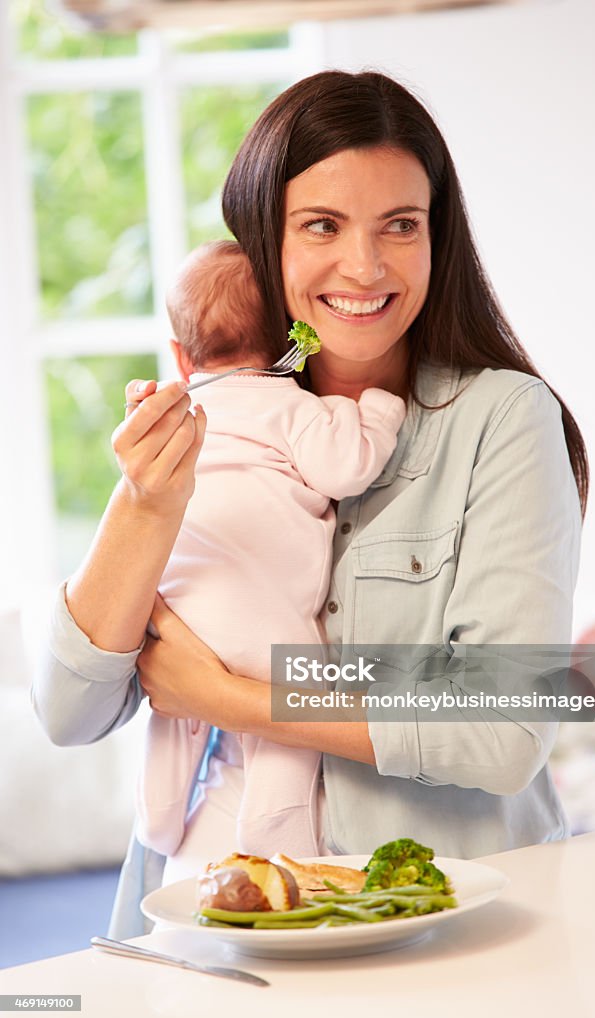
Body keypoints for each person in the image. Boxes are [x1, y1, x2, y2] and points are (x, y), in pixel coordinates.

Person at [33, 70, 588, 939]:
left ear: (436, 240)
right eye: (320, 225)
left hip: (446, 937)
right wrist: (145, 505)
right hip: (212, 930)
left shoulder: (501, 421)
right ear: (262, 240)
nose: (364, 267)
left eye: (400, 226)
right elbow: (69, 713)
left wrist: (231, 696)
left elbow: (504, 727)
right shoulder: (205, 417)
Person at [136, 238, 405, 872]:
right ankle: (274, 829)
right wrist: (377, 408)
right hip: (266, 622)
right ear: (290, 337)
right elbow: (347, 467)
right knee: (290, 715)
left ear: (180, 356)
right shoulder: (292, 407)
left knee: (175, 714)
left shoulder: (180, 417)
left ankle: (157, 813)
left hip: (182, 616)